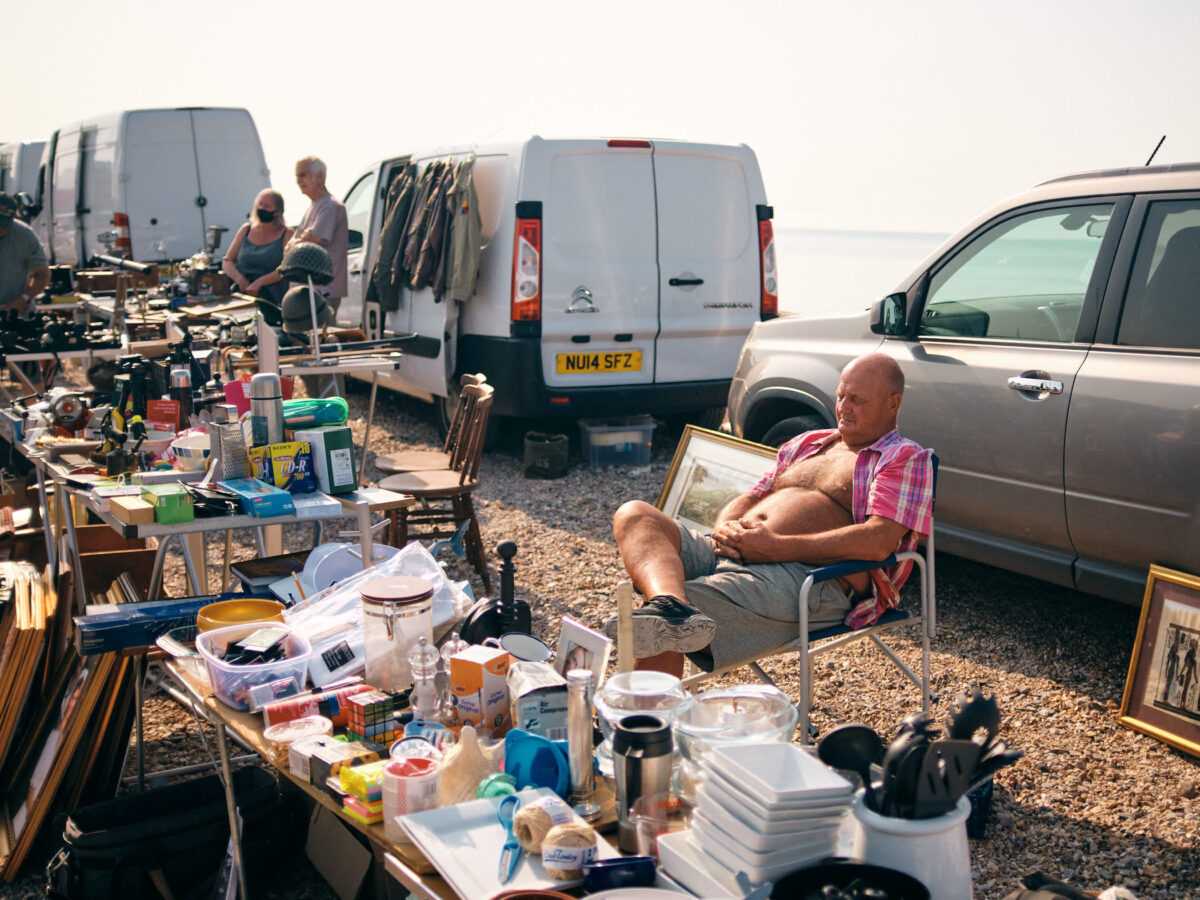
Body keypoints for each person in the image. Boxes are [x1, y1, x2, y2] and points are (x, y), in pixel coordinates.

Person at [610, 353, 934, 677]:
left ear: (892, 404)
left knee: (664, 629)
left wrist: (777, 547)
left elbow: (877, 541)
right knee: (635, 514)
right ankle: (671, 603)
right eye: (840, 396)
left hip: (810, 576)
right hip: (744, 550)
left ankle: (643, 722)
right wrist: (726, 528)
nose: (843, 407)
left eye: (856, 400)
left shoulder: (903, 458)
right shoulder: (810, 442)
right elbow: (754, 494)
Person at [288, 156, 348, 315]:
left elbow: (309, 245)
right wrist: (299, 241)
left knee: (319, 337)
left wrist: (296, 243)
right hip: (310, 291)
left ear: (320, 177)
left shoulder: (329, 206)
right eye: (297, 176)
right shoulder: (315, 205)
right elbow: (293, 245)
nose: (298, 181)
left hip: (321, 291)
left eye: (303, 175)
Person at [221, 189, 294, 305]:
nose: (262, 208)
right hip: (243, 296)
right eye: (260, 204)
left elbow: (287, 268)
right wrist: (241, 281)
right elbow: (227, 261)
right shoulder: (246, 230)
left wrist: (260, 283)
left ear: (277, 211)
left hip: (273, 300)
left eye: (267, 206)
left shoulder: (287, 234)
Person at [0, 192, 50, 314]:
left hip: (14, 315)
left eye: (4, 224)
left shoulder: (24, 235)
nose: (1, 229)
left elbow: (42, 274)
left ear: (14, 218)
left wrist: (24, 299)